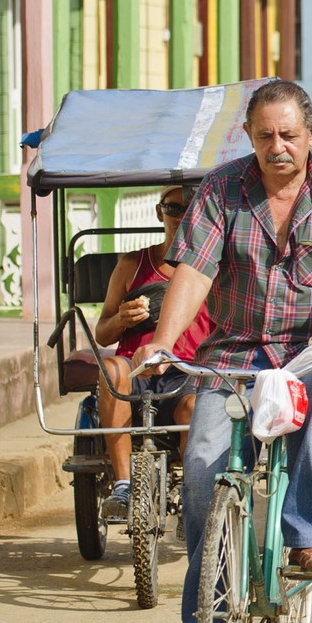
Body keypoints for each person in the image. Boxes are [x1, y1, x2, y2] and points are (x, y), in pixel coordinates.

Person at [138, 80, 312, 623]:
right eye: (265, 136)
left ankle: (307, 539)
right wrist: (164, 345)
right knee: (201, 470)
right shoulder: (222, 189)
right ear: (248, 136)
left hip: (309, 354)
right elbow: (194, 272)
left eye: (289, 135)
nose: (278, 147)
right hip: (233, 353)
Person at [92, 185, 215, 519]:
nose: (181, 217)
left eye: (191, 210)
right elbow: (102, 331)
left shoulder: (214, 270)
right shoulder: (133, 263)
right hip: (136, 372)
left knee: (194, 405)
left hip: (188, 374)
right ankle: (122, 485)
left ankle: (194, 494)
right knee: (112, 367)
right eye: (174, 209)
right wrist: (120, 318)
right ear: (160, 212)